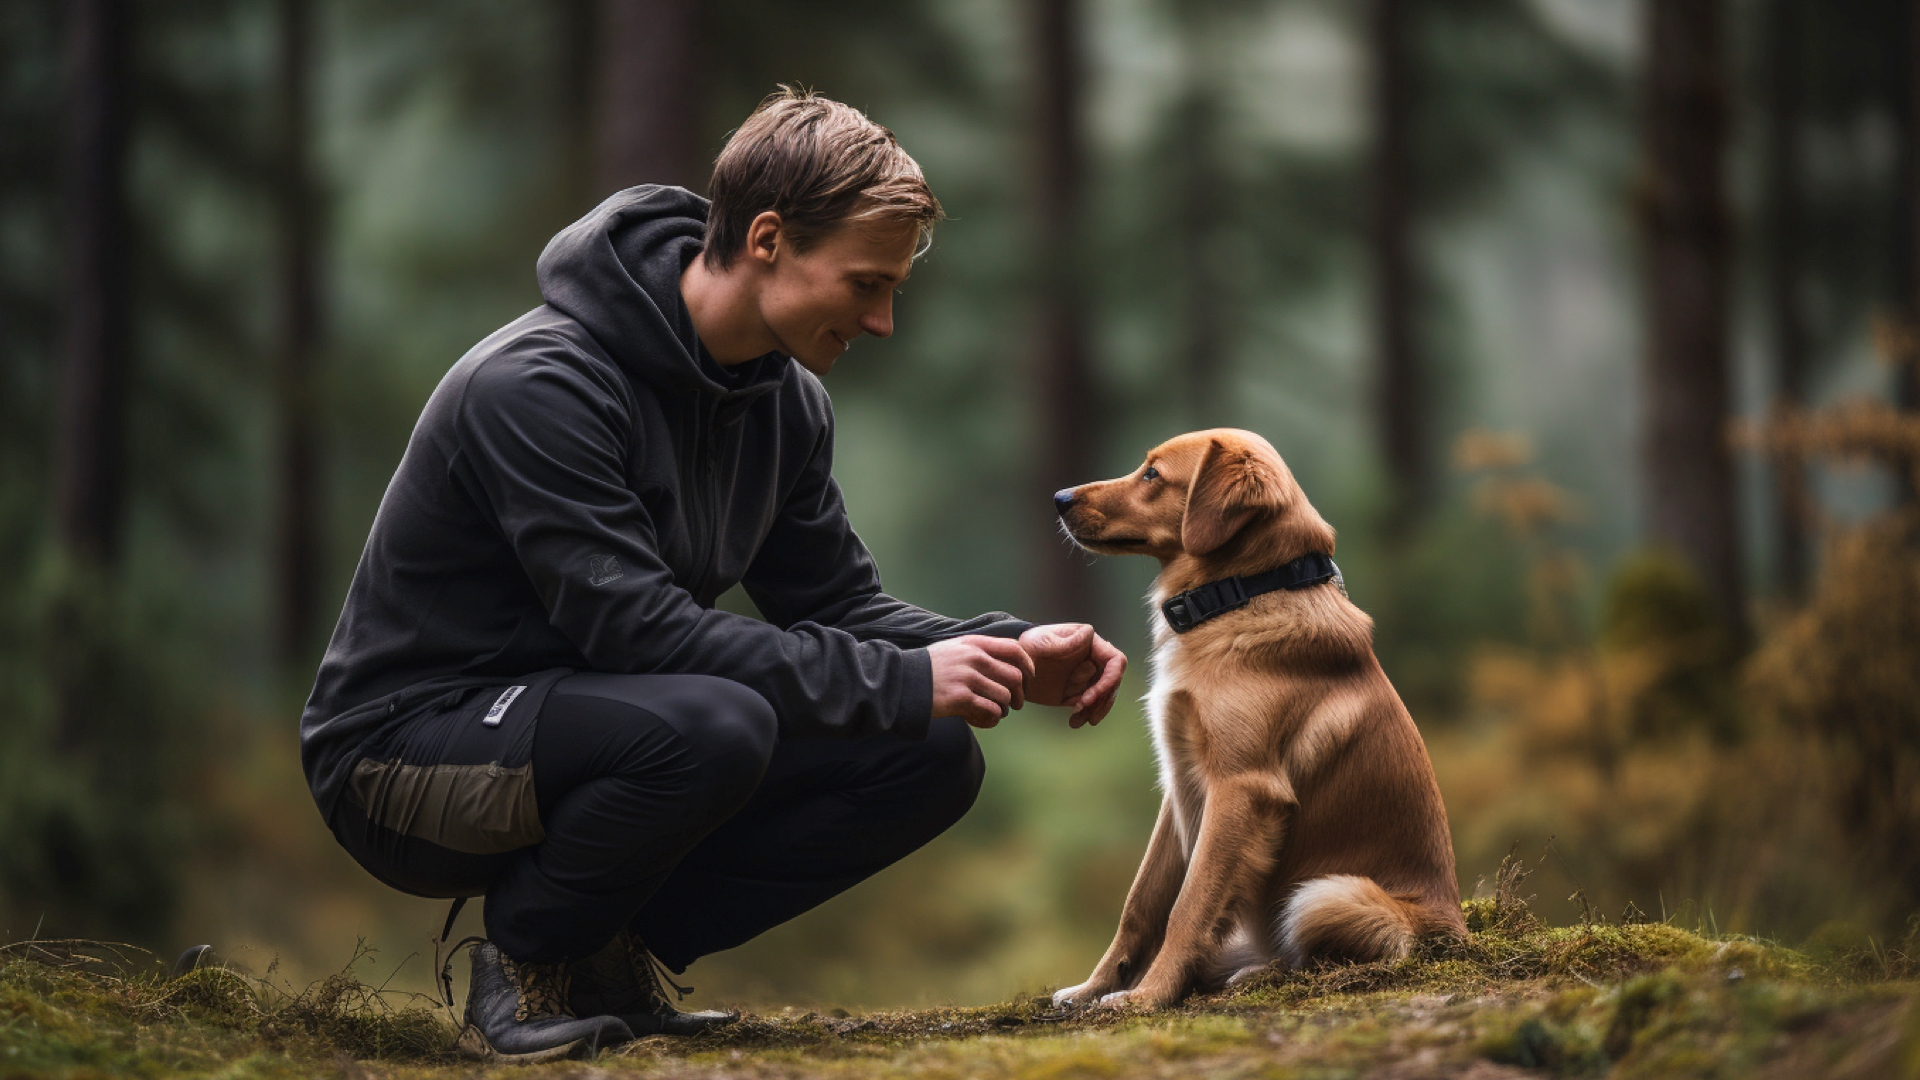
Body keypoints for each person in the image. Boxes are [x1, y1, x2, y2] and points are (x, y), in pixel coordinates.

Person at [299, 87, 1127, 1062]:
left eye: (892, 291)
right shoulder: (537, 385)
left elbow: (836, 605)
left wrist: (999, 648)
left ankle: (609, 954)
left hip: (601, 720)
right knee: (718, 725)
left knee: (929, 755)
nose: (883, 320)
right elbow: (638, 633)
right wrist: (906, 679)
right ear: (768, 239)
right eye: (866, 285)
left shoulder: (785, 407)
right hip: (402, 754)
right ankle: (524, 961)